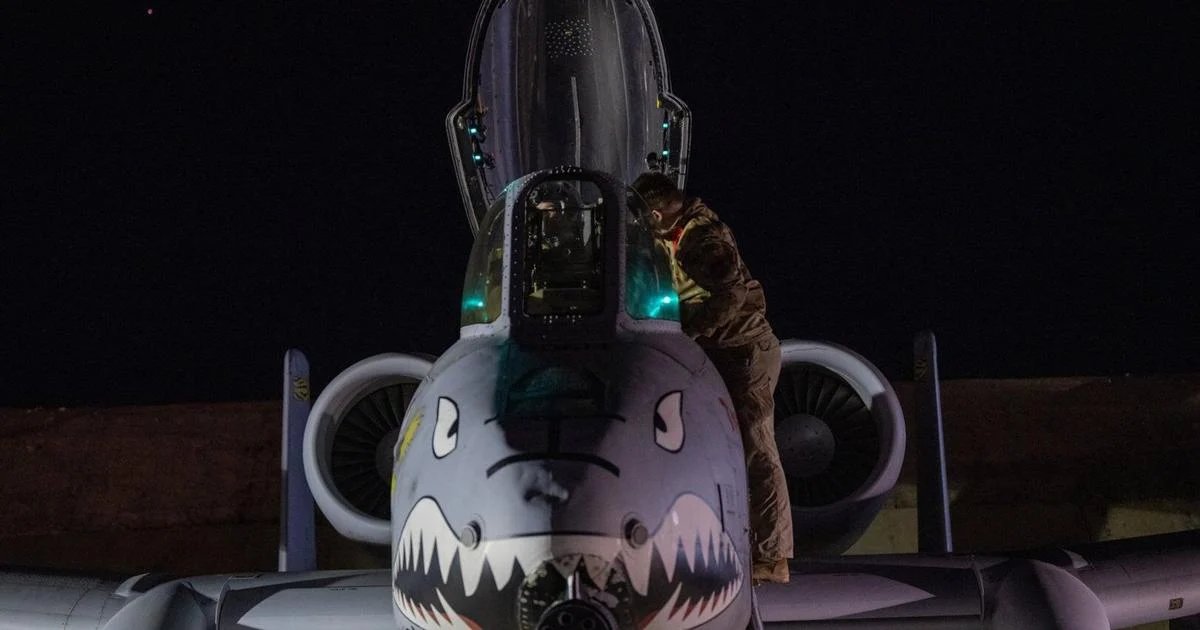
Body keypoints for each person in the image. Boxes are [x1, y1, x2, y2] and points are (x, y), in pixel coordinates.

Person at [632, 172, 793, 584]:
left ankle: (773, 556)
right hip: (720, 352)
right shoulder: (674, 235)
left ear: (656, 213)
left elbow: (731, 294)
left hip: (744, 351)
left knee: (757, 446)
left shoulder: (701, 239)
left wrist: (690, 331)